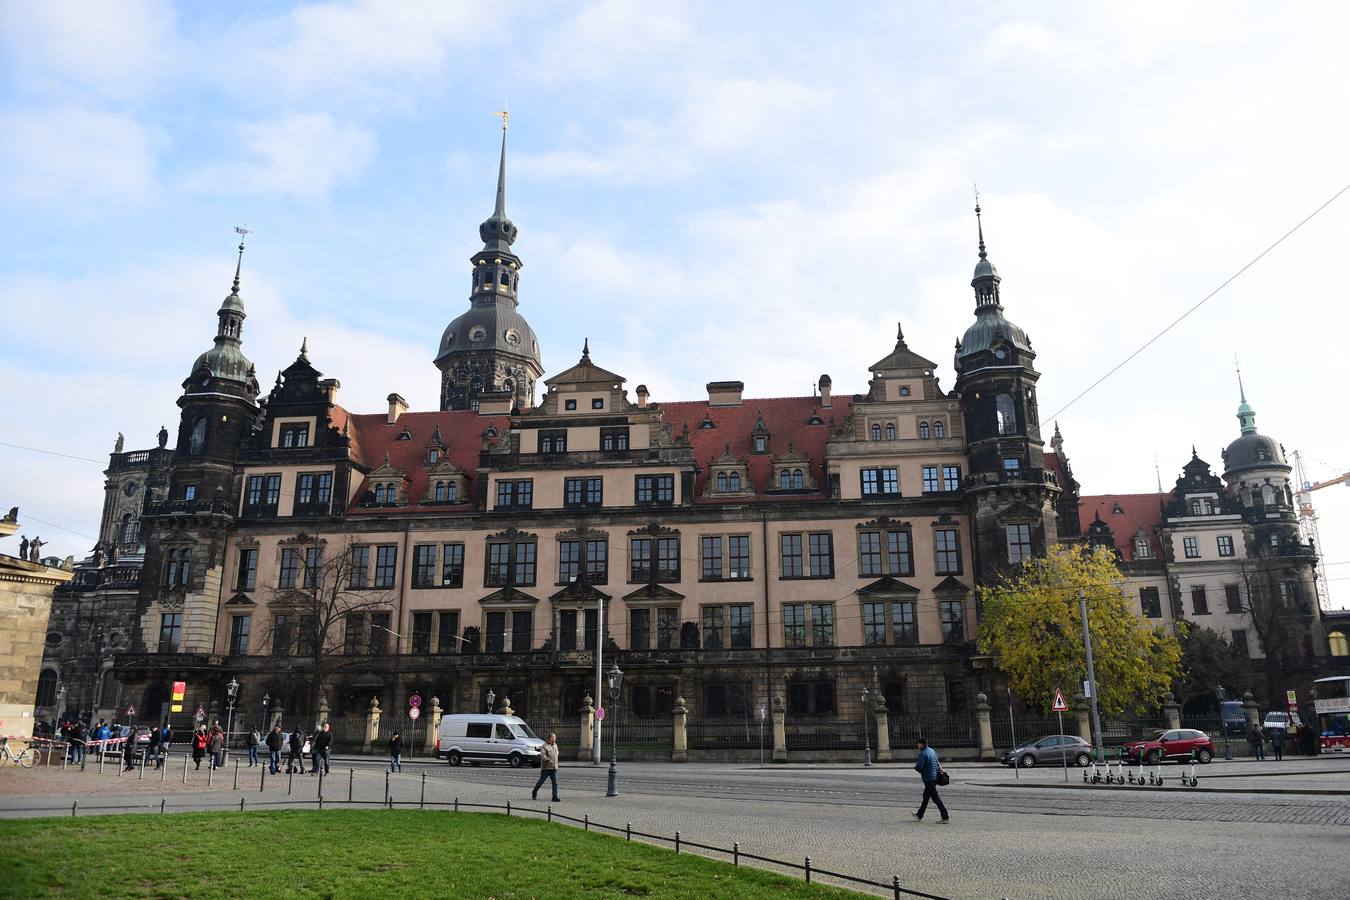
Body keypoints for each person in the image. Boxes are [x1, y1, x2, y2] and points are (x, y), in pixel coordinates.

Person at [911, 736, 949, 823]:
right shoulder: (932, 750)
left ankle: (945, 817)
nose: (917, 746)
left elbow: (919, 767)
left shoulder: (923, 753)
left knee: (935, 798)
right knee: (926, 797)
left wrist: (916, 768)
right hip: (935, 777)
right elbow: (937, 762)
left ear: (920, 744)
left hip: (928, 778)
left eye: (918, 744)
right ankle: (919, 815)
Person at [531, 733, 561, 803]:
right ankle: (534, 791)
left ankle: (554, 797)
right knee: (541, 781)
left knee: (555, 783)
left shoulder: (555, 745)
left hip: (554, 767)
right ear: (550, 738)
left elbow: (557, 754)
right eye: (554, 737)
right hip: (546, 768)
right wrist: (548, 760)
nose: (555, 739)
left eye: (555, 737)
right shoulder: (544, 746)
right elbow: (543, 755)